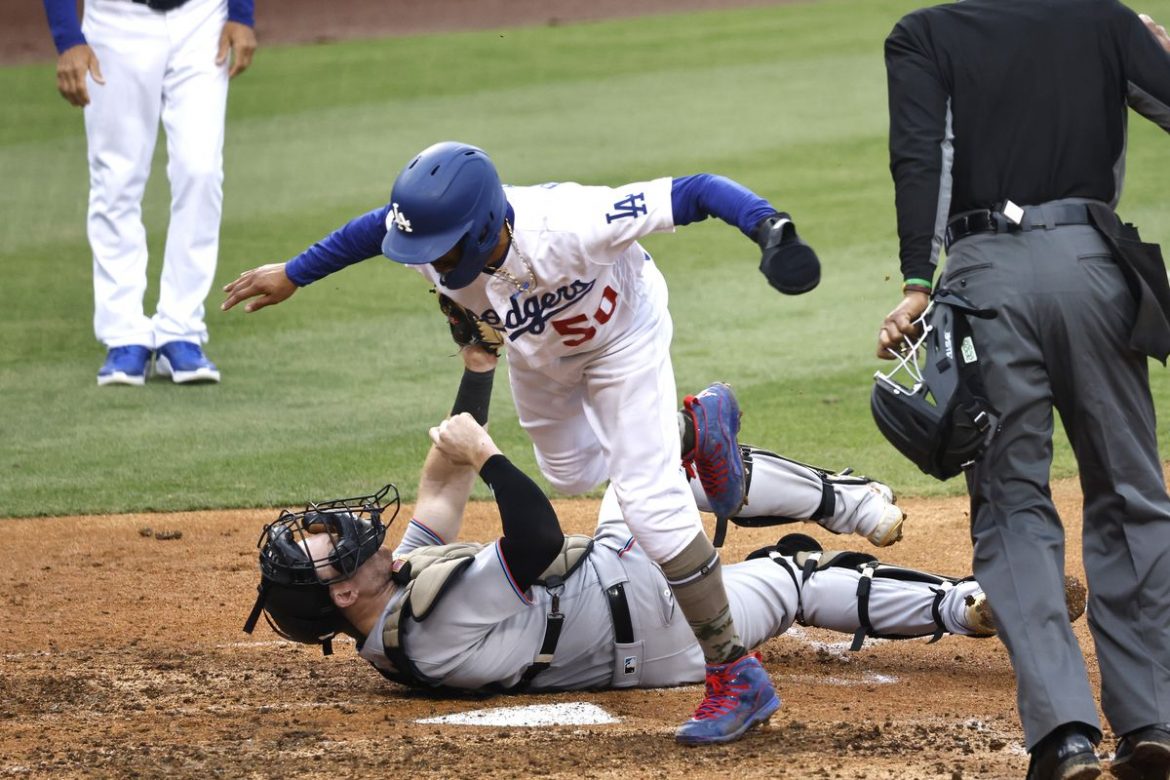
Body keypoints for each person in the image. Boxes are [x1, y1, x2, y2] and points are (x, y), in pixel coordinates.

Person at [223, 141, 826, 742]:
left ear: (483, 224)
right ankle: (694, 429)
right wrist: (294, 274)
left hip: (623, 339)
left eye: (440, 247)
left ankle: (733, 673)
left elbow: (696, 190)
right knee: (569, 471)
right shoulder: (431, 238)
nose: (428, 259)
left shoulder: (571, 225)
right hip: (541, 357)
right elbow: (367, 232)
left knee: (650, 503)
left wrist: (772, 230)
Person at [245, 349, 1086, 726]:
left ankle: (970, 604)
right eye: (322, 546)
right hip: (635, 590)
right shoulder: (431, 613)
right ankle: (849, 499)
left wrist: (479, 357)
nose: (340, 528)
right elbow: (533, 539)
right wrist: (495, 455)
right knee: (662, 461)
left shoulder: (392, 611)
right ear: (340, 594)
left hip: (653, 647)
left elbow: (440, 479)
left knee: (790, 582)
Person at [878, 3, 1170, 778]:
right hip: (1095, 271)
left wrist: (916, 282)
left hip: (988, 281)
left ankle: (1064, 736)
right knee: (1132, 492)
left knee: (1011, 505)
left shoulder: (925, 33)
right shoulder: (1105, 19)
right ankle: (1155, 721)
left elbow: (922, 153)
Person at [43, 0, 257, 386]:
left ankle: (182, 329)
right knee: (117, 177)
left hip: (201, 18)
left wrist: (241, 14)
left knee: (201, 169)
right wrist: (67, 36)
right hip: (114, 20)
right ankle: (124, 334)